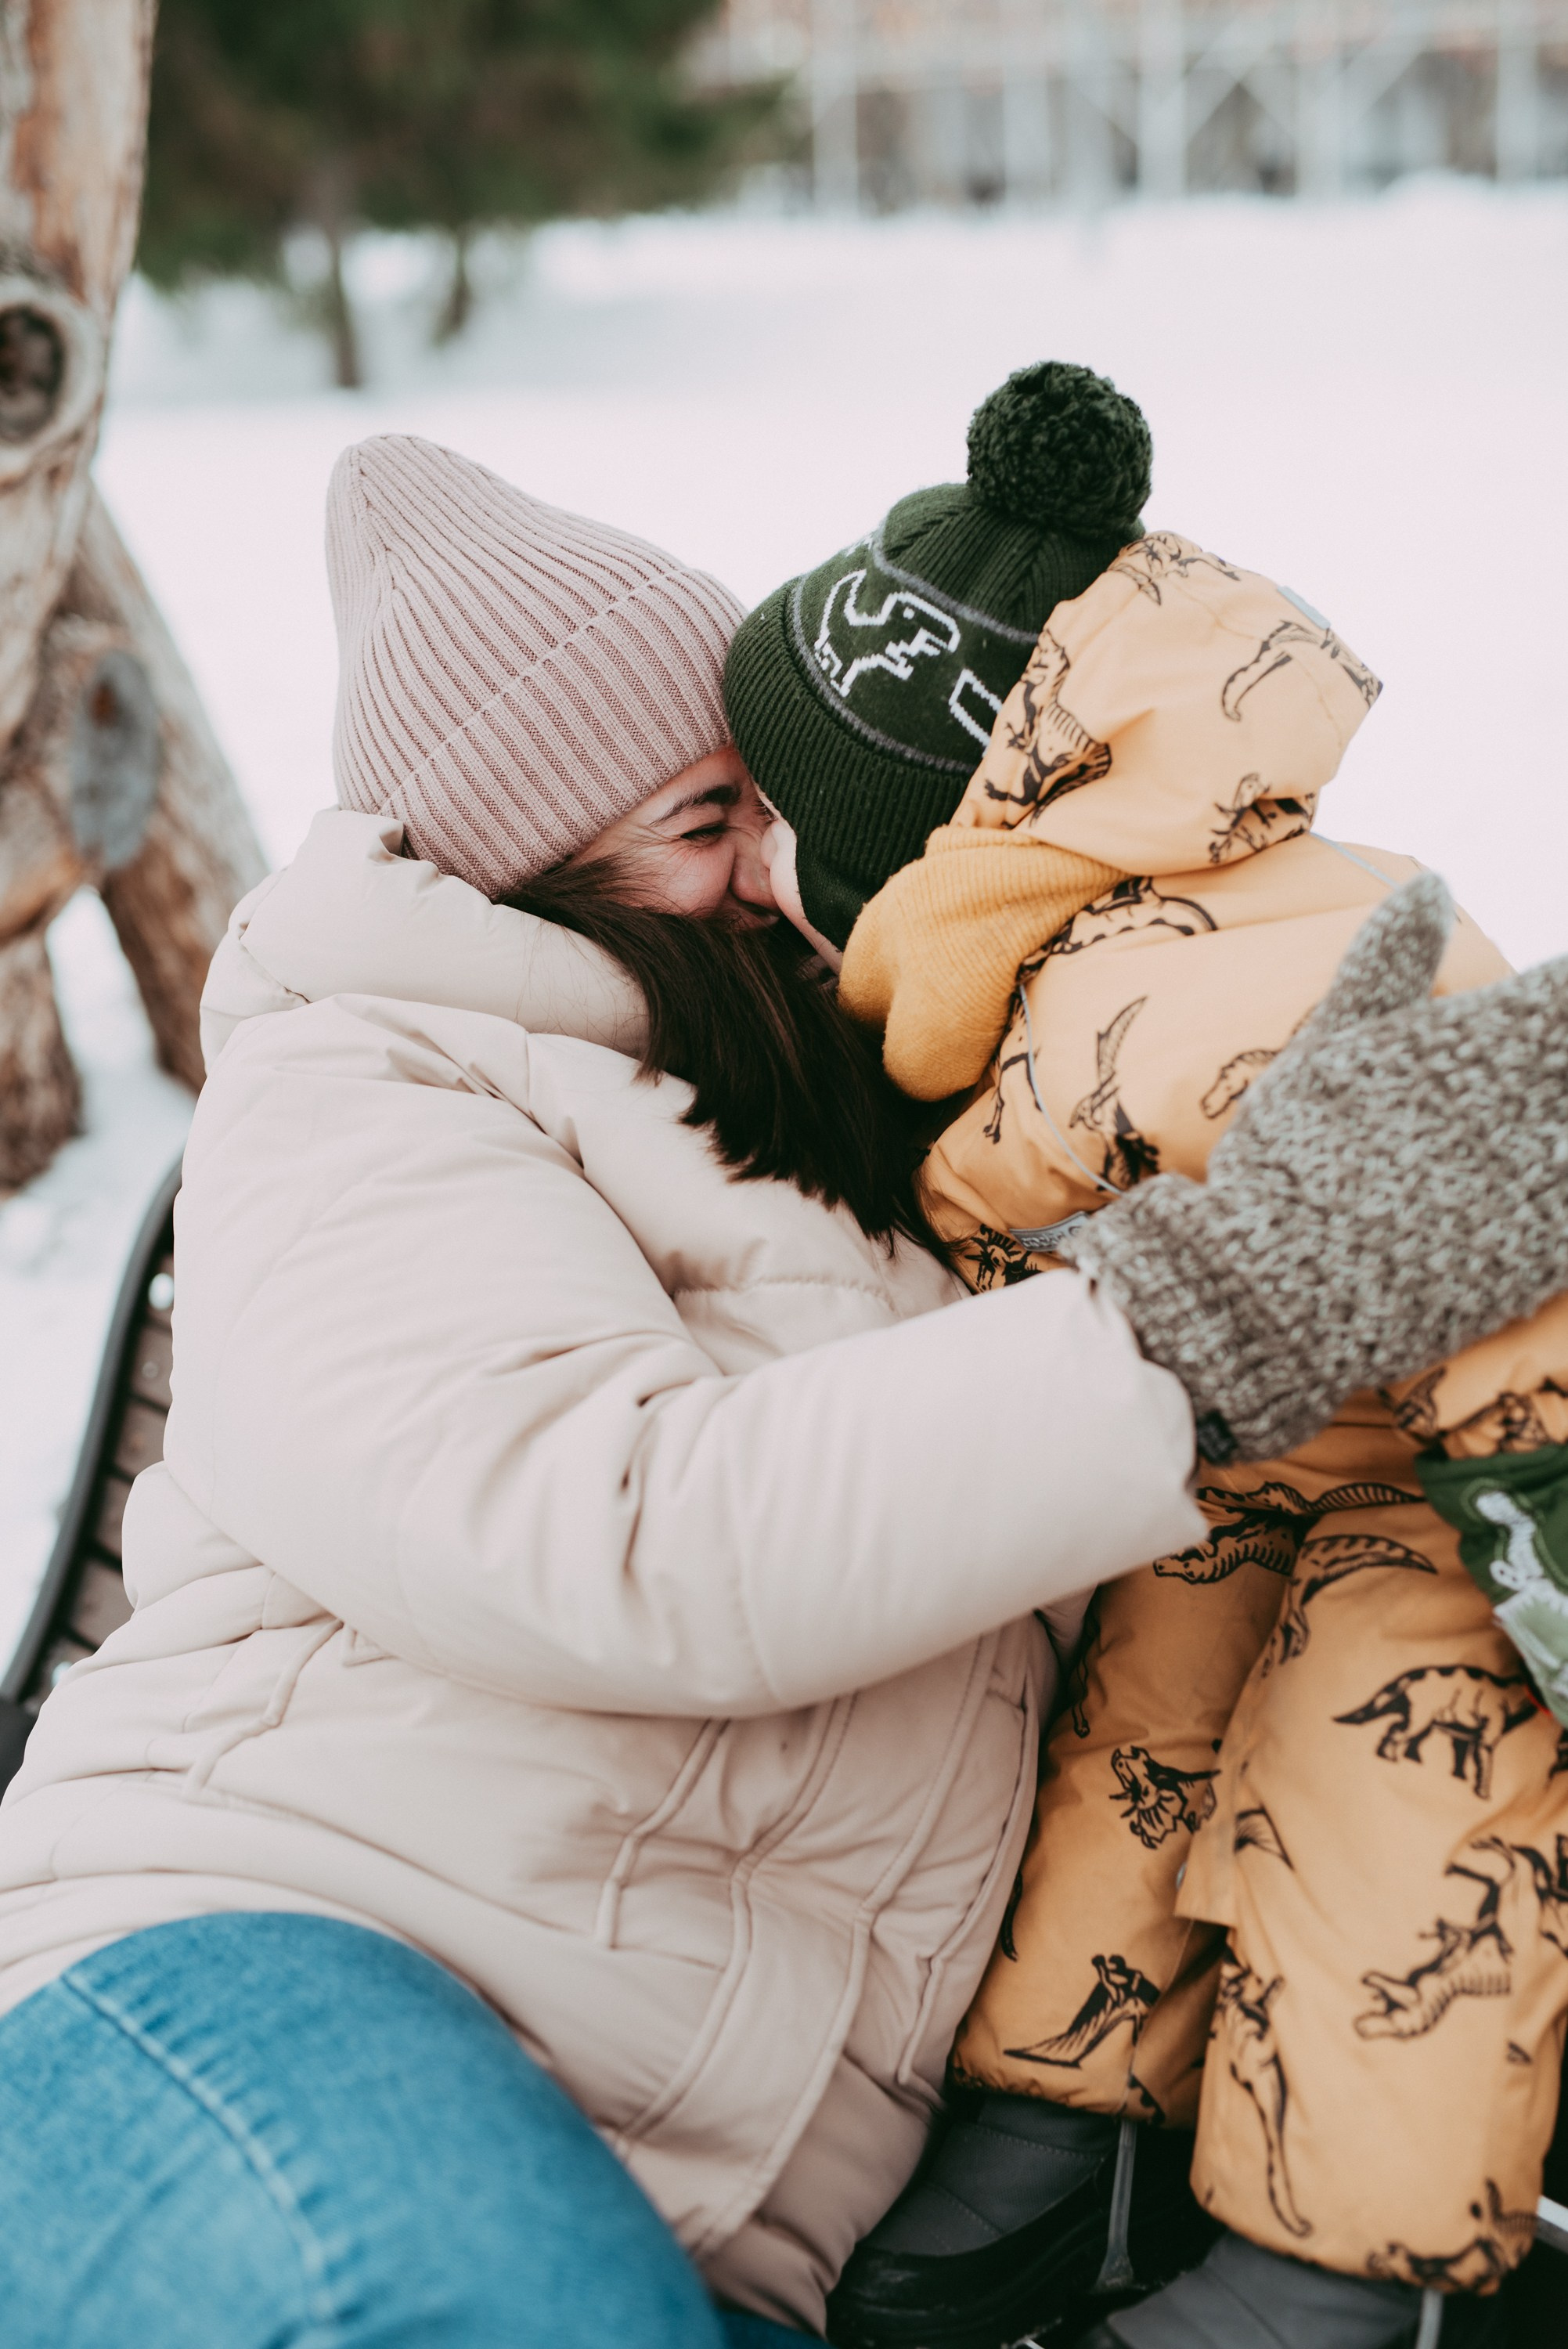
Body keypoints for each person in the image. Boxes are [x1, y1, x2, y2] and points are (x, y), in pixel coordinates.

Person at [0, 432, 1563, 2349]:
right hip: (275, 1982)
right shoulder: (363, 1096)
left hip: (722, 2222)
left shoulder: (851, 1126)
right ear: (530, 874)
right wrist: (1216, 1309)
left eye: (775, 798)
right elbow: (615, 1536)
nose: (783, 870)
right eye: (704, 817)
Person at [724, 361, 1568, 2349]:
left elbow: (1522, 1210)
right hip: (1275, 1455)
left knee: (1390, 1732)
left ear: (904, 846)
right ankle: (1066, 2116)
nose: (748, 869)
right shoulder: (1033, 970)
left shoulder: (1241, 982)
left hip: (1470, 1492)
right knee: (1156, 1672)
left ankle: (1333, 2263)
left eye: (770, 826)